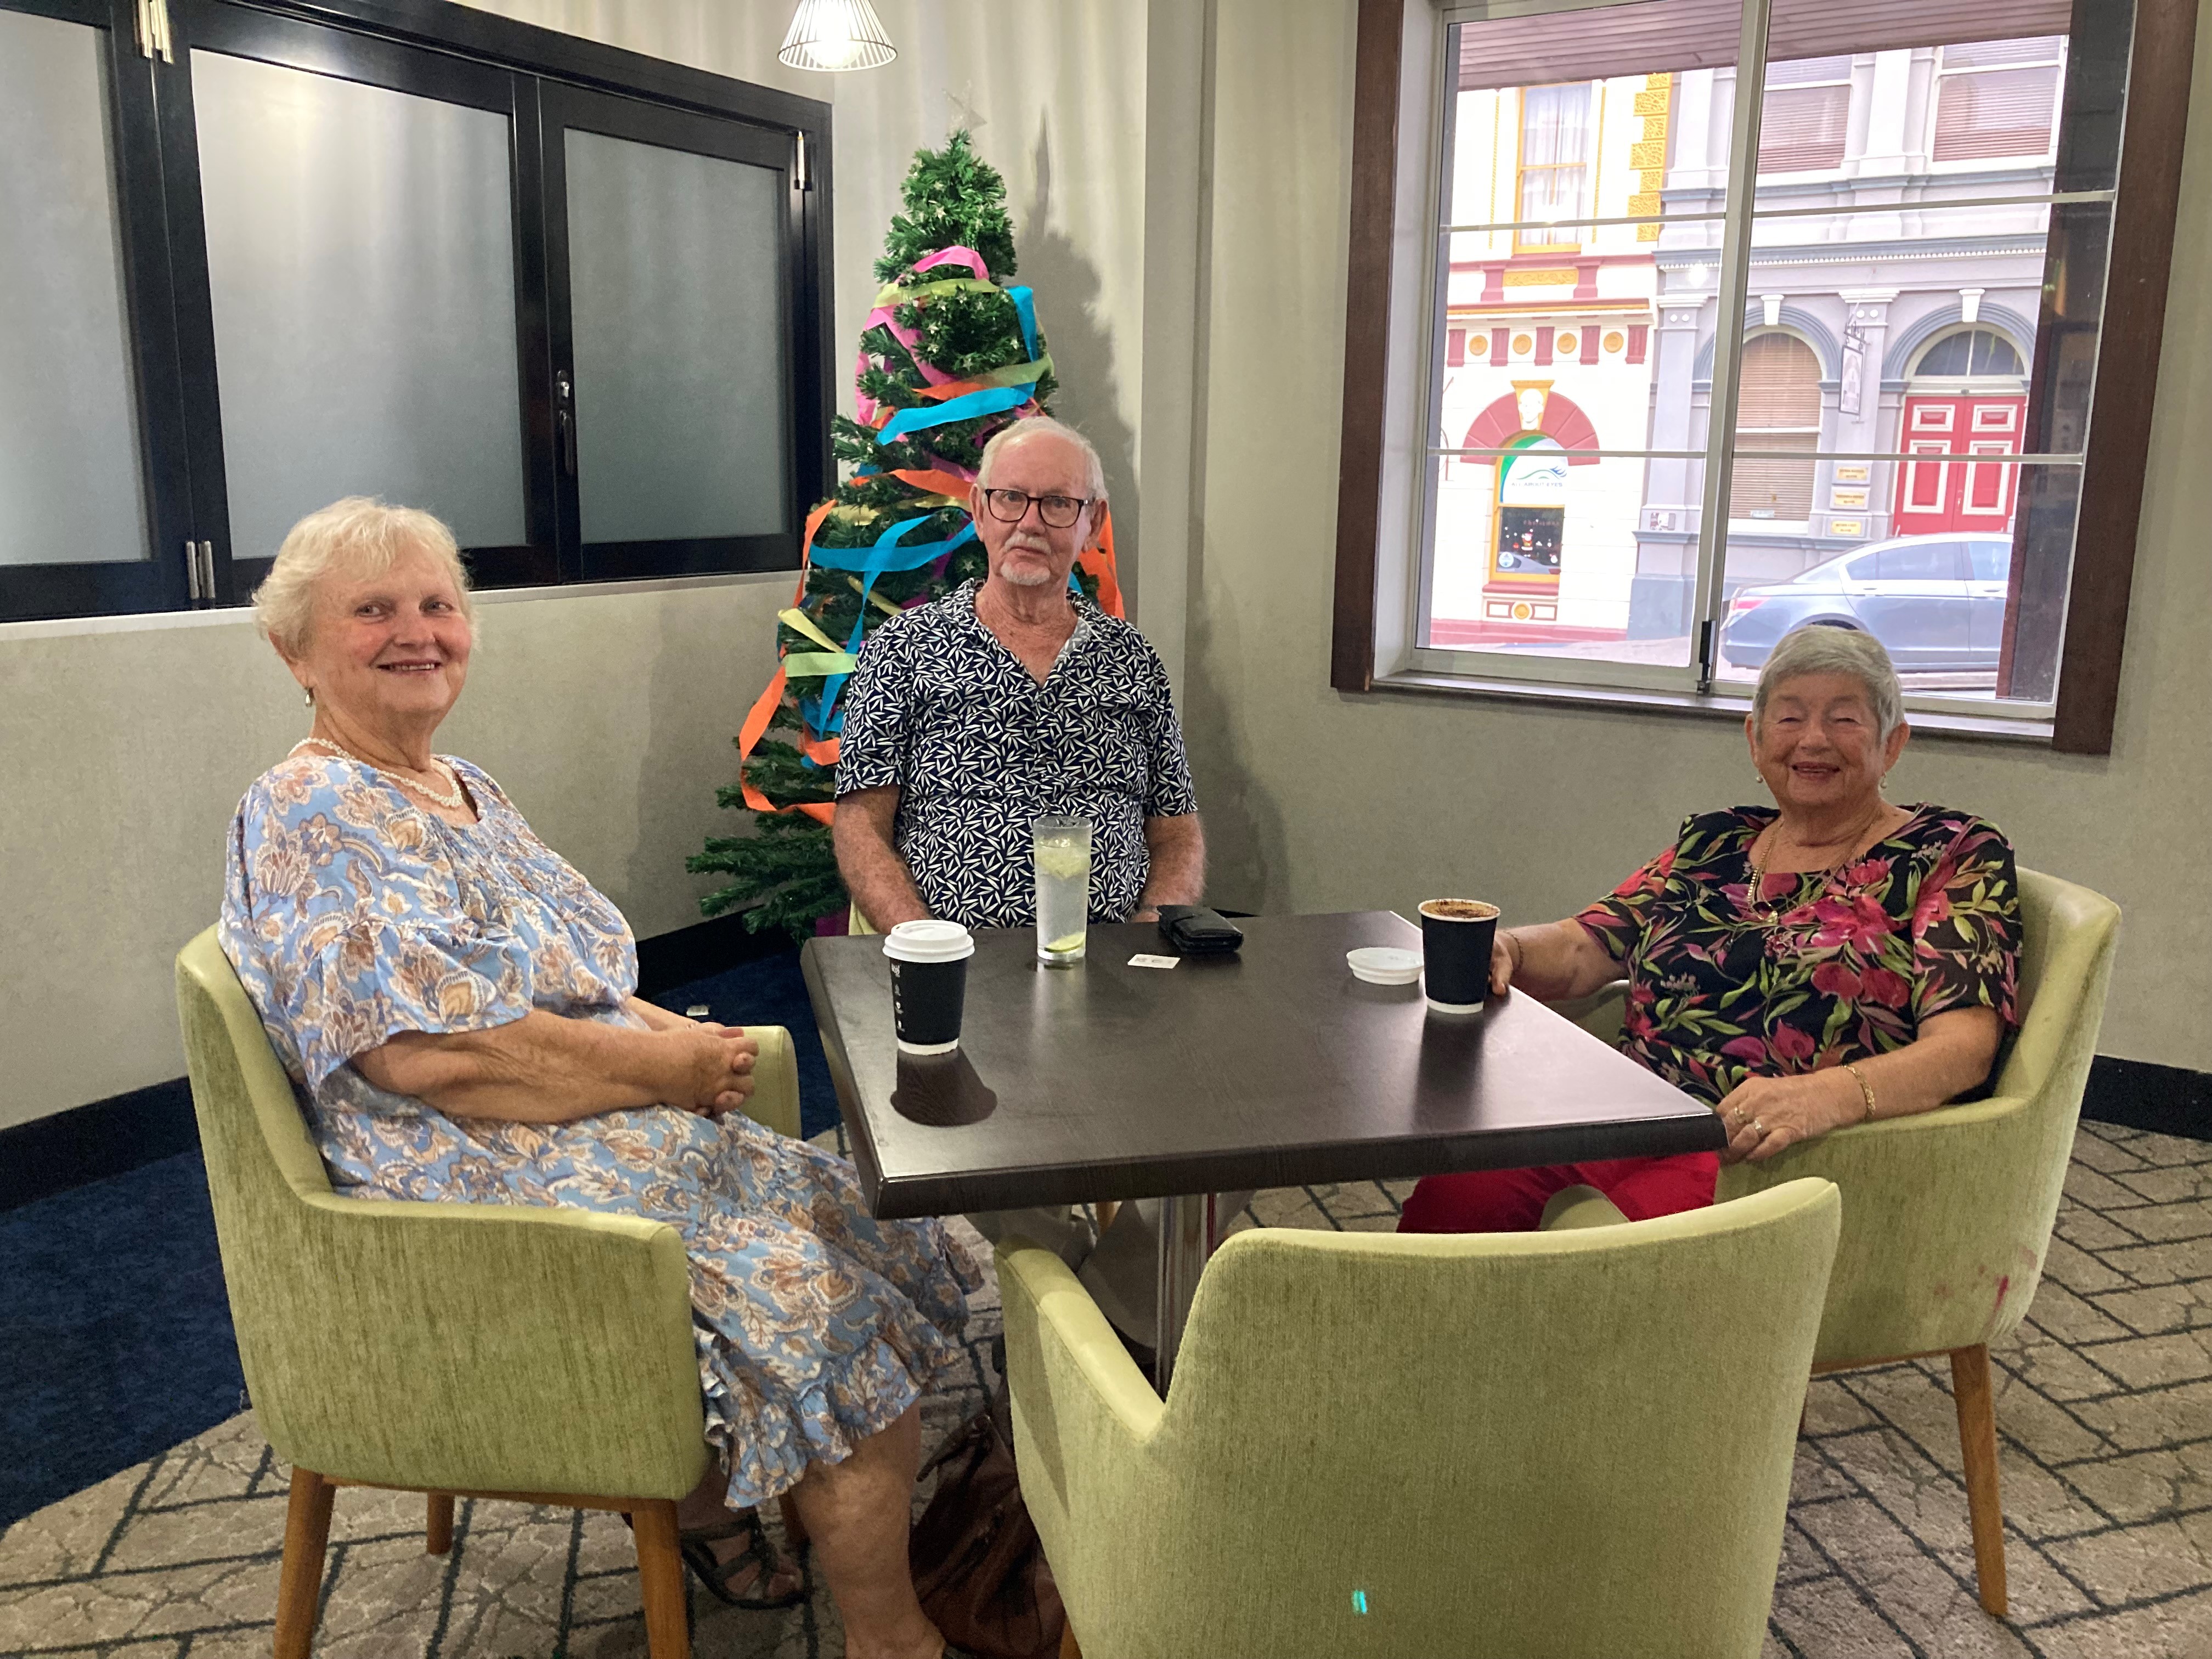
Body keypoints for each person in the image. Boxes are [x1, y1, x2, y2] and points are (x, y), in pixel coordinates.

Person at [219, 498, 969, 1659]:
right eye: (372, 610)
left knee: (875, 1220)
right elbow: (428, 1054)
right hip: (468, 1172)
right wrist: (662, 1067)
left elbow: (576, 977)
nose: (416, 632)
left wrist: (687, 1046)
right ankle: (892, 1637)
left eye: (436, 604)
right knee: (824, 1310)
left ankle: (710, 1504)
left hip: (581, 1128)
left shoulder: (462, 783)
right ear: (294, 650)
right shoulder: (313, 807)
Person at [1400, 624, 2021, 1234]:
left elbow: (1964, 1049)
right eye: (1790, 717)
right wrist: (1506, 947)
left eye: (1844, 719)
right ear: (1756, 739)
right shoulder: (1715, 842)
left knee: (1612, 1255)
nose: (1813, 739)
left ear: (1892, 743)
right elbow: (1585, 947)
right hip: (1631, 1112)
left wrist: (1825, 1097)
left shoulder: (1949, 852)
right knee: (1456, 1198)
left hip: (1781, 1149)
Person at [832, 417, 1220, 1342]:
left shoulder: (1130, 660)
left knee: (1229, 1131)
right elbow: (861, 826)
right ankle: (1109, 1322)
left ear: (1092, 522)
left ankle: (1094, 1317)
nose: (1030, 522)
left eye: (1057, 503)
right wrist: (921, 942)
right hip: (957, 967)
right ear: (979, 509)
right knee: (970, 1139)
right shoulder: (907, 651)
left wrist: (1153, 920)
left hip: (1115, 966)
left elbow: (1177, 829)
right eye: (1010, 498)